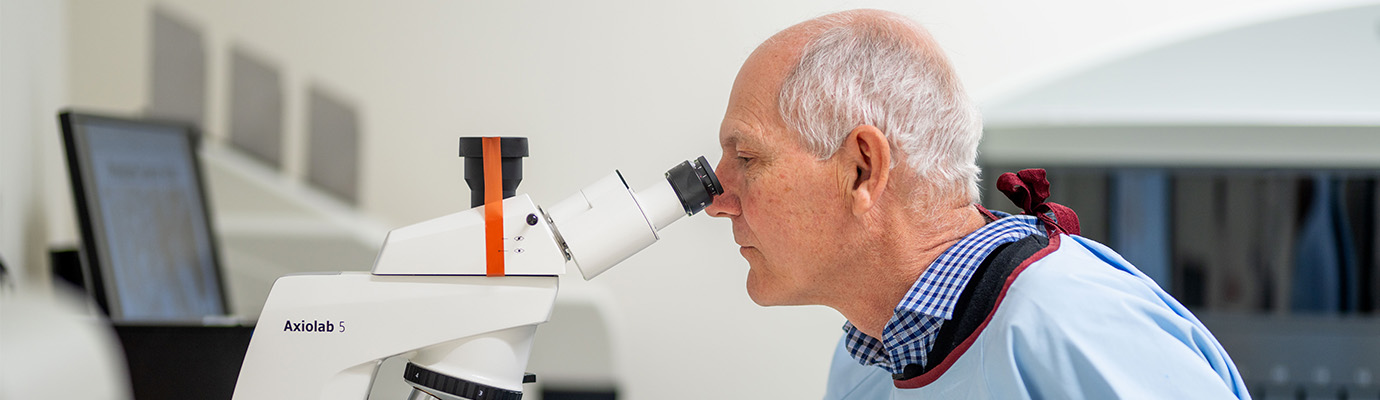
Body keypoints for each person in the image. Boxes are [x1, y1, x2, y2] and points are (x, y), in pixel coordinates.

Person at [704, 9, 1251, 399]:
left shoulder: (1070, 328)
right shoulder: (867, 362)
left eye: (747, 157)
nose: (718, 200)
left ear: (861, 168)